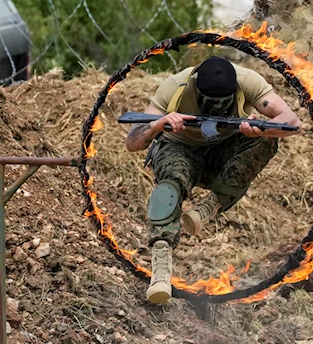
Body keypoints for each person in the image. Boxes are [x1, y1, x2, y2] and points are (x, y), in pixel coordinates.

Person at [125, 56, 301, 304]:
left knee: (265, 140)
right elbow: (132, 142)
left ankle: (214, 204)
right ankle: (161, 269)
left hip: (224, 153)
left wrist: (263, 127)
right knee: (168, 189)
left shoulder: (248, 81)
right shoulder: (175, 87)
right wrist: (157, 125)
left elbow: (291, 121)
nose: (216, 107)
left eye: (223, 103)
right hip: (179, 149)